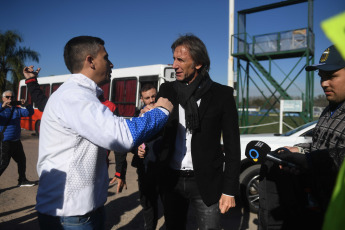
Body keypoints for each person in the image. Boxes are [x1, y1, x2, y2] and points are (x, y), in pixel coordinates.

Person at [35, 35, 173, 230]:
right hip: (71, 215)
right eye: (106, 58)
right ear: (90, 61)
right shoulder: (75, 97)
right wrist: (161, 111)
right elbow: (121, 135)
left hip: (80, 211)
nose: (111, 64)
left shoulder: (77, 95)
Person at [156, 34, 241, 230]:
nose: (174, 65)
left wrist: (229, 190)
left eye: (181, 60)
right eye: (174, 58)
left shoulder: (222, 95)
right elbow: (159, 131)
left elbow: (232, 146)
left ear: (198, 63)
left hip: (207, 182)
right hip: (172, 179)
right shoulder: (167, 90)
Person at [258, 45, 345, 230]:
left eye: (331, 76)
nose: (323, 83)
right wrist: (299, 151)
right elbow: (322, 147)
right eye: (321, 76)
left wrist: (311, 161)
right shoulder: (330, 109)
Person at [110, 83, 162, 230]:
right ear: (142, 99)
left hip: (162, 166)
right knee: (147, 203)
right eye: (147, 98)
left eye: (153, 96)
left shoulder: (165, 114)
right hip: (144, 167)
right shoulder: (137, 115)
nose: (151, 100)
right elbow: (130, 141)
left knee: (166, 203)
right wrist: (136, 149)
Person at [0, 90, 36, 187]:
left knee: (21, 160)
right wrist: (2, 107)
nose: (10, 99)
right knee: (3, 163)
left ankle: (22, 180)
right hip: (5, 142)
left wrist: (27, 104)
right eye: (7, 97)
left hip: (16, 141)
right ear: (3, 98)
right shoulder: (1, 108)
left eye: (12, 97)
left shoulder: (16, 109)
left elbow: (30, 112)